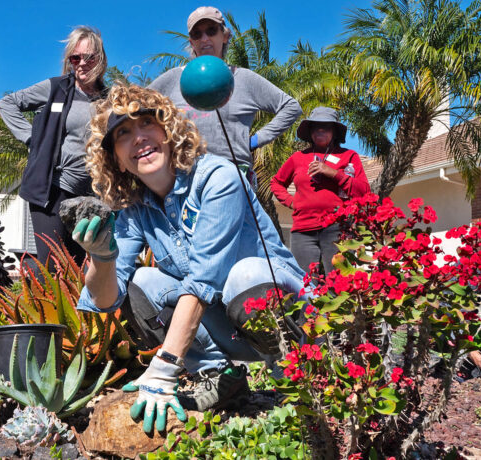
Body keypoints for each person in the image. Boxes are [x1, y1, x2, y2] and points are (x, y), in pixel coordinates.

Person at [74, 85, 309, 434]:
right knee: (143, 283)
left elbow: (203, 282)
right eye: (123, 133)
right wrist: (102, 257)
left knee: (244, 276)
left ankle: (294, 375)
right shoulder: (134, 210)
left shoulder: (218, 177)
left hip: (289, 312)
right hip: (228, 321)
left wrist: (164, 366)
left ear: (168, 130)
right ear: (115, 159)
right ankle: (221, 377)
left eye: (146, 123)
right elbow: (106, 299)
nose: (138, 138)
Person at [149, 6, 302, 184]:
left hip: (233, 174)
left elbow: (291, 107)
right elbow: (134, 106)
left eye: (211, 31)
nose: (205, 39)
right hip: (184, 177)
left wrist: (254, 140)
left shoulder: (243, 78)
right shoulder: (174, 78)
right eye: (197, 34)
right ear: (192, 43)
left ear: (225, 36)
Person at [0, 26, 108, 268]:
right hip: (53, 191)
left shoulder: (108, 99)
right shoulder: (56, 88)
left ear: (100, 59)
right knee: (53, 266)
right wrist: (31, 138)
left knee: (80, 268)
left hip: (91, 196)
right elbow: (7, 103)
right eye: (75, 58)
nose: (81, 64)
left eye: (88, 57)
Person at [271, 107, 371, 274]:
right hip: (303, 230)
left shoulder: (349, 156)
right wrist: (292, 202)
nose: (320, 130)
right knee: (304, 282)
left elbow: (363, 191)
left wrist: (333, 173)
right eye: (315, 126)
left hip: (337, 228)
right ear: (310, 131)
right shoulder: (298, 158)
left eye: (326, 127)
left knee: (338, 284)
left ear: (334, 132)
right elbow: (276, 183)